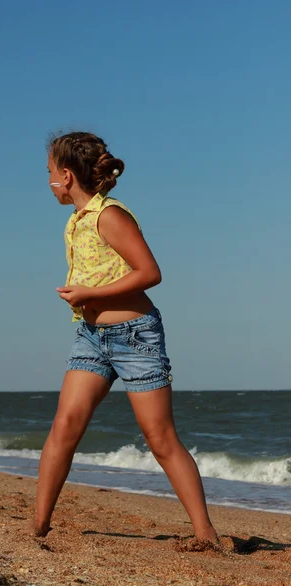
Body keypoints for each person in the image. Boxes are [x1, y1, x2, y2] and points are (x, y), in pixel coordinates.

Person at [34, 131, 219, 546]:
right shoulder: (76, 221)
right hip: (91, 337)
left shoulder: (110, 216)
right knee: (64, 425)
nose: (46, 180)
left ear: (65, 176)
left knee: (159, 436)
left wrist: (89, 294)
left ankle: (205, 533)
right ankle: (37, 527)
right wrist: (85, 302)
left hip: (135, 336)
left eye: (48, 172)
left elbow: (150, 273)